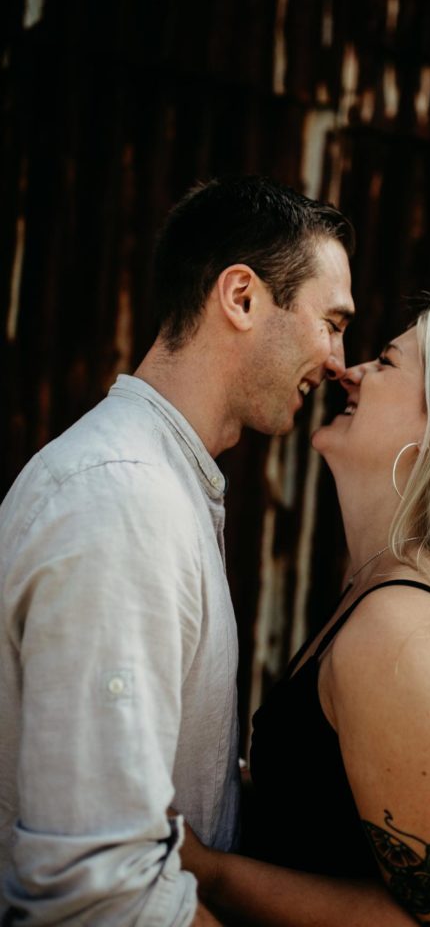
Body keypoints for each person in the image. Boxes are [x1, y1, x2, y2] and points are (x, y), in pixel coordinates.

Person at [0, 176, 355, 925]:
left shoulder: (162, 485)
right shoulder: (122, 501)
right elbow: (99, 890)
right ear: (241, 297)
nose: (337, 361)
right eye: (331, 321)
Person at [178, 301, 430, 927]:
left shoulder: (399, 634)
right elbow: (326, 820)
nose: (346, 370)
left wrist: (206, 871)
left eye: (385, 362)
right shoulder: (383, 593)